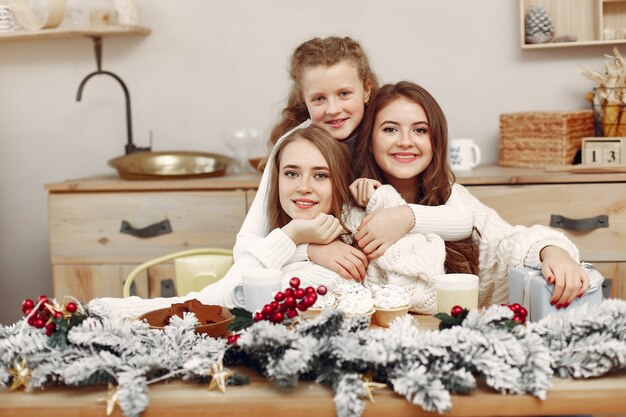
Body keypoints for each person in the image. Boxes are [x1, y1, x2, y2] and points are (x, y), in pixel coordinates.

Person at [89, 125, 446, 318]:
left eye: (320, 176)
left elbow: (226, 300)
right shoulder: (287, 239)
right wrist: (298, 239)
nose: (303, 187)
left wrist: (297, 238)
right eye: (292, 173)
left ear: (338, 184)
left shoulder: (354, 240)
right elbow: (218, 299)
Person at [236, 36, 473, 283]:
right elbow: (246, 248)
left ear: (367, 89)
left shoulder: (387, 132)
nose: (333, 109)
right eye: (319, 98)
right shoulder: (293, 146)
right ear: (304, 101)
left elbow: (462, 219)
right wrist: (310, 250)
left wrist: (404, 217)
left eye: (344, 93)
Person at [351, 81, 589, 307]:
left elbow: (507, 242)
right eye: (390, 129)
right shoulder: (353, 202)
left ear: (435, 142)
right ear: (370, 141)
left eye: (420, 130)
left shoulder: (455, 199)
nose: (405, 142)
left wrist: (553, 252)